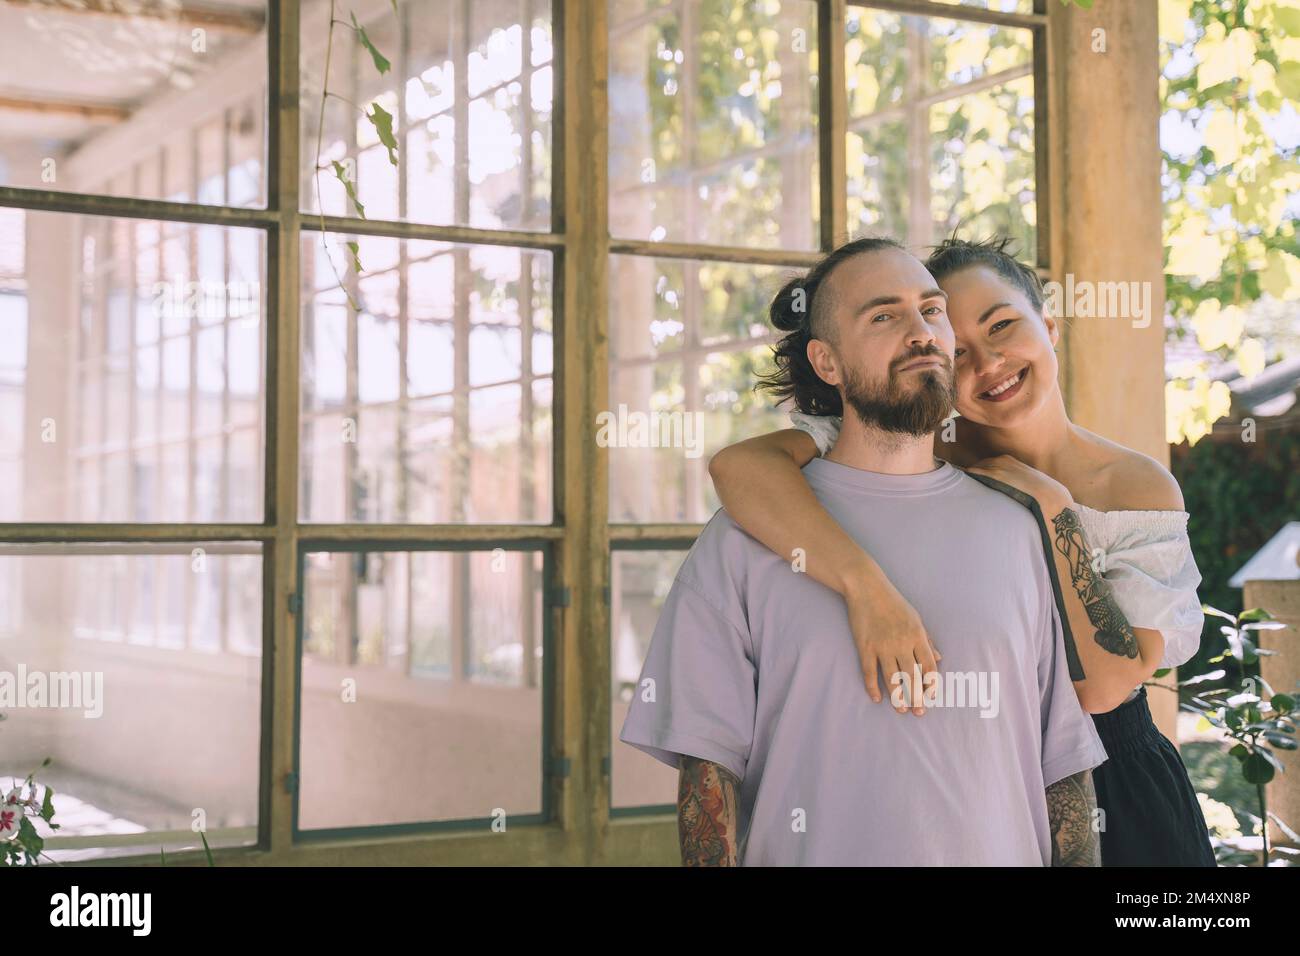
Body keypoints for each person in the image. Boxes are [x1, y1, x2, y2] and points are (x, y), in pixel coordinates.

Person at [707, 235, 1215, 867]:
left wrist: (1052, 509)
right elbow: (740, 468)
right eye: (962, 348)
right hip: (981, 780)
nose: (989, 363)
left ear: (1048, 324)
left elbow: (1107, 686)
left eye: (1003, 325)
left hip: (1120, 782)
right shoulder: (917, 451)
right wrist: (865, 587)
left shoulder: (1133, 485)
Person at [619, 237, 1106, 866]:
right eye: (883, 316)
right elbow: (708, 777)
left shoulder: (1018, 529)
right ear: (827, 362)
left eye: (932, 311)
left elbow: (1062, 766)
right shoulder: (744, 539)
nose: (922, 332)